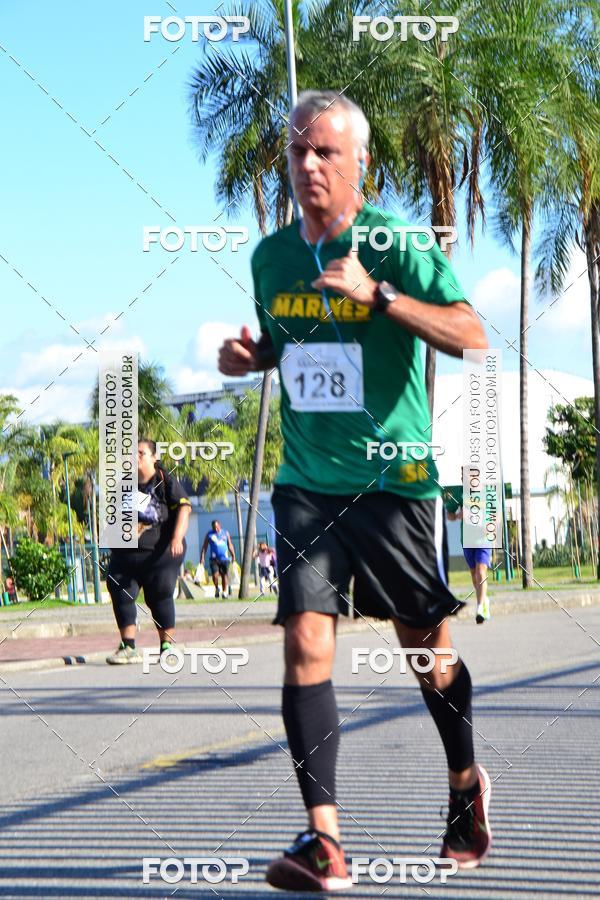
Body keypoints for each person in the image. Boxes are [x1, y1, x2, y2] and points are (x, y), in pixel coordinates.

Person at [218, 90, 492, 892]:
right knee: (305, 638)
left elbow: (473, 334)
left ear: (358, 164)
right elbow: (287, 341)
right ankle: (324, 841)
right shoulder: (270, 257)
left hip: (394, 482)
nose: (307, 165)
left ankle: (465, 787)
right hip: (306, 483)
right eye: (298, 152)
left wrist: (381, 297)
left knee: (426, 657)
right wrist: (254, 357)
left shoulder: (396, 242)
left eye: (325, 153)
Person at [105, 439, 191, 664]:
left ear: (154, 457)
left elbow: (184, 508)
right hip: (128, 553)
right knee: (118, 585)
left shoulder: (164, 481)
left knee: (159, 592)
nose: (135, 457)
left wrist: (177, 537)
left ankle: (167, 646)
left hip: (160, 552)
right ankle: (128, 646)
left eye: (140, 453)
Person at [445, 474, 492, 624]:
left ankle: (480, 608)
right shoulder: (459, 493)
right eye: (463, 477)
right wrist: (458, 515)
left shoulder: (487, 492)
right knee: (473, 574)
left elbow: (496, 515)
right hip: (467, 539)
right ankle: (484, 600)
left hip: (484, 538)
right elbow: (449, 515)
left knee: (480, 570)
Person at [200, 520, 236, 598]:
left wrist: (233, 555)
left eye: (217, 527)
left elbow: (230, 545)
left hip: (224, 559)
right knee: (215, 575)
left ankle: (224, 592)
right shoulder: (209, 534)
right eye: (214, 527)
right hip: (214, 559)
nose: (215, 529)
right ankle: (216, 588)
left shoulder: (225, 533)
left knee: (224, 575)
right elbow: (204, 547)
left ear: (220, 525)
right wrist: (202, 557)